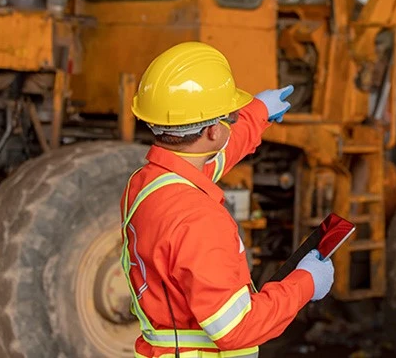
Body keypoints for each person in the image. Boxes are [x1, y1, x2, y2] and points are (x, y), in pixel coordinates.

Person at [121, 41, 334, 357]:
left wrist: (256, 114)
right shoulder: (200, 220)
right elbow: (237, 329)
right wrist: (305, 284)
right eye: (228, 118)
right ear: (210, 133)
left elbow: (214, 159)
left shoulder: (146, 185)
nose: (231, 122)